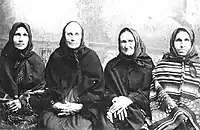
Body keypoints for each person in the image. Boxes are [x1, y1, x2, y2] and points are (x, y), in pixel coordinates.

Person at [40, 21, 105, 130]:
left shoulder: (91, 57)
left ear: (81, 37)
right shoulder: (56, 57)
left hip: (83, 107)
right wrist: (55, 104)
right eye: (69, 34)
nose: (73, 38)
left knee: (79, 127)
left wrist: (80, 106)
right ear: (64, 36)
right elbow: (48, 85)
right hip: (60, 105)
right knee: (49, 125)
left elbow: (98, 90)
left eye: (76, 34)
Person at [149, 27, 200, 130]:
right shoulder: (161, 67)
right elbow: (156, 93)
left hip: (194, 120)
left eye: (186, 40)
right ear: (172, 42)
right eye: (178, 40)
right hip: (167, 119)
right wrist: (176, 113)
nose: (182, 44)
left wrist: (187, 112)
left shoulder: (198, 67)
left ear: (191, 43)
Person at [104, 27, 154, 130]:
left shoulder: (146, 65)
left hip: (139, 110)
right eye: (123, 42)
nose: (127, 46)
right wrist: (115, 100)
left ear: (136, 42)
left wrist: (129, 99)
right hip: (114, 108)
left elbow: (150, 92)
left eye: (130, 41)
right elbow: (105, 91)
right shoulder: (112, 66)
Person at [0, 22, 46, 129]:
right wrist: (7, 100)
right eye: (17, 35)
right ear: (11, 37)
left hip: (28, 111)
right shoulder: (3, 60)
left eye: (25, 35)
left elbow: (42, 92)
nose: (21, 39)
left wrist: (22, 102)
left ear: (29, 38)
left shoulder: (36, 62)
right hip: (4, 107)